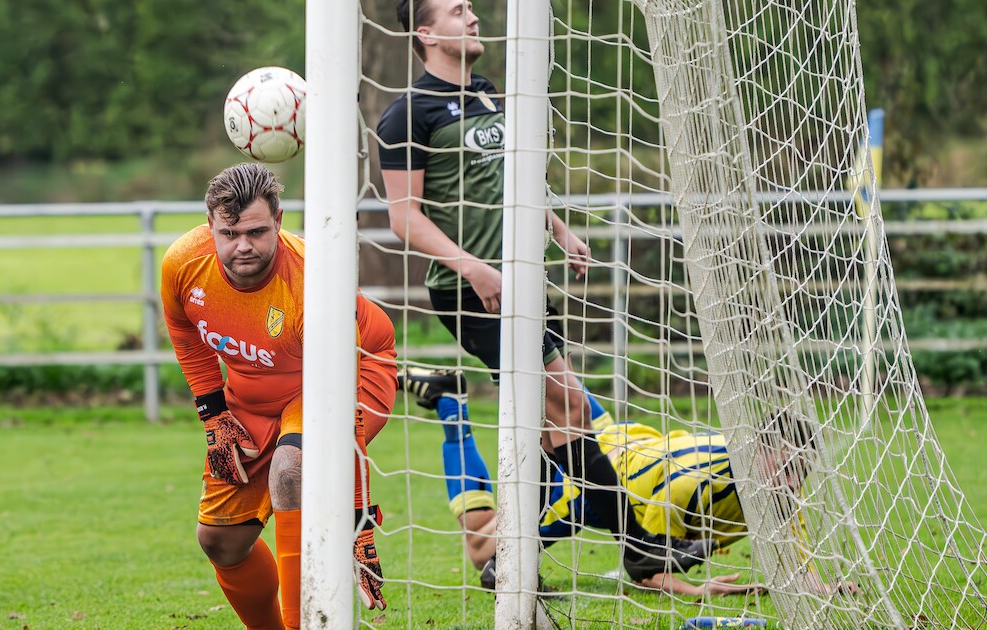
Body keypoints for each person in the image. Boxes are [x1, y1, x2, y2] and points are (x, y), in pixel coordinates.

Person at [377, 0, 711, 579]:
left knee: (553, 425)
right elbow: (403, 217)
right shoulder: (408, 114)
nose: (474, 16)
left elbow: (516, 179)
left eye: (472, 8)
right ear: (426, 33)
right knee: (570, 407)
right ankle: (640, 551)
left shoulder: (486, 93)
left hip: (525, 282)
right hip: (473, 292)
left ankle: (507, 557)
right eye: (457, 11)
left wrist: (558, 229)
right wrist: (473, 269)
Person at [161, 163, 398, 629]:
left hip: (354, 372)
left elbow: (340, 410)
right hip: (256, 394)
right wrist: (214, 416)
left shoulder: (313, 285)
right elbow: (185, 332)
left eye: (256, 231)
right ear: (209, 225)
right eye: (229, 232)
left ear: (279, 221)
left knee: (291, 470)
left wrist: (358, 518)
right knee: (220, 542)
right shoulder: (183, 264)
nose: (243, 245)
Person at [400, 367, 859, 597]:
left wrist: (822, 586)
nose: (791, 480)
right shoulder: (692, 486)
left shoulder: (777, 493)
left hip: (626, 440)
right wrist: (696, 591)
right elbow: (644, 566)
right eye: (785, 467)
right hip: (601, 482)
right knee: (485, 551)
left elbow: (797, 556)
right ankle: (451, 405)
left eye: (801, 469)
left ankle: (529, 360)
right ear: (758, 452)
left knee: (563, 400)